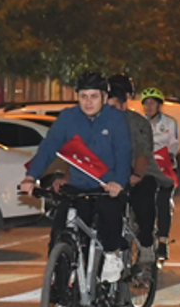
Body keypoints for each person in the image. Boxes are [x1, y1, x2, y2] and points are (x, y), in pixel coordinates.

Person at [19, 72, 132, 284]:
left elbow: (123, 152)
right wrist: (31, 176)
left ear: (105, 98)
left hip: (106, 187)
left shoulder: (115, 119)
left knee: (109, 213)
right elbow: (49, 147)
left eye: (94, 96)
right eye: (83, 96)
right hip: (77, 186)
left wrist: (118, 181)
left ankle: (111, 255)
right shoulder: (68, 118)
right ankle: (61, 291)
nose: (88, 102)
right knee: (59, 233)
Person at [107, 75, 168, 265]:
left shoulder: (138, 123)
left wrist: (137, 175)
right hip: (109, 177)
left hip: (138, 173)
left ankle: (147, 244)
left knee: (144, 199)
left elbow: (142, 153)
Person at [140, 87, 179, 259]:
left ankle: (163, 242)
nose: (149, 107)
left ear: (159, 105)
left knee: (163, 202)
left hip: (164, 166)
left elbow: (174, 143)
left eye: (152, 103)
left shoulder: (170, 123)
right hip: (145, 166)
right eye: (146, 103)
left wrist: (169, 155)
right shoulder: (140, 123)